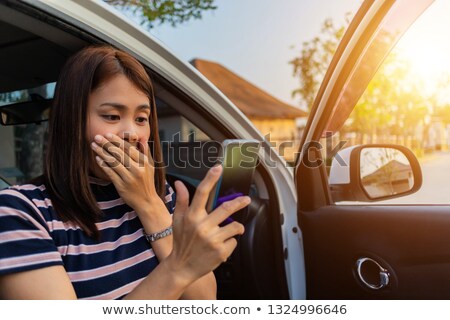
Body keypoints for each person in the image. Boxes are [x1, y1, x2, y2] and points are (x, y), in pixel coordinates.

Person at [0, 45, 249, 299]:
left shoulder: (160, 193)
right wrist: (180, 268)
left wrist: (149, 203)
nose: (131, 133)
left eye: (141, 119)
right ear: (71, 121)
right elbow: (185, 273)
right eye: (111, 116)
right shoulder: (21, 211)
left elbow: (203, 301)